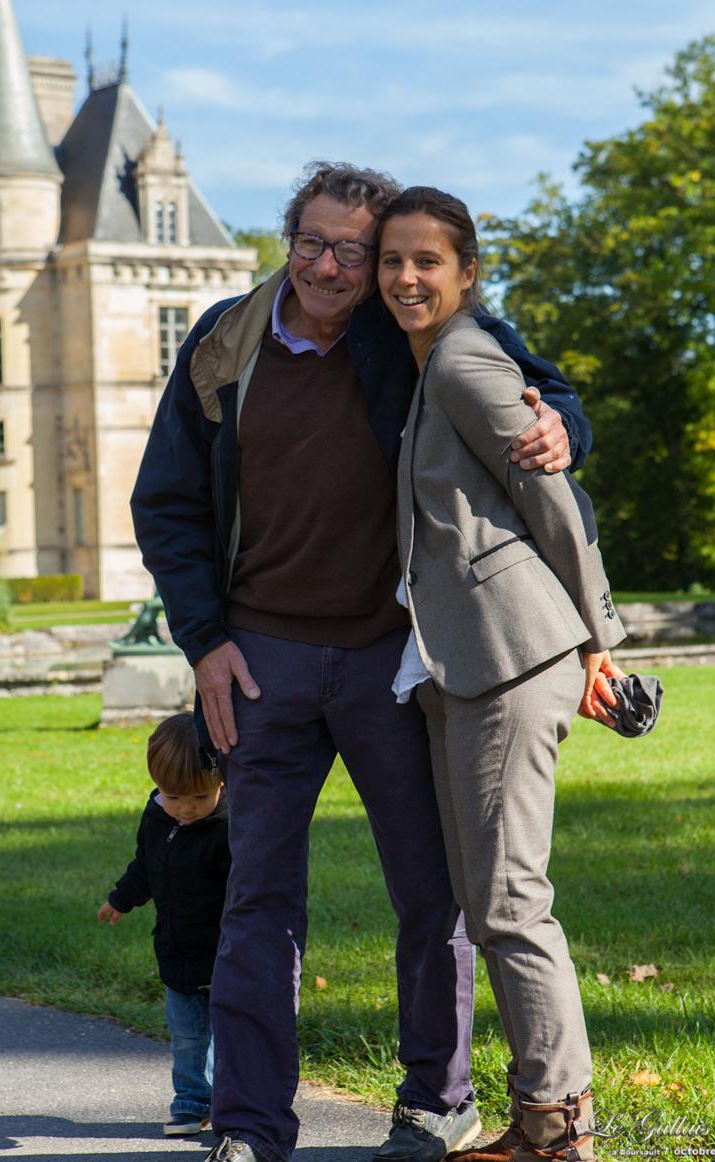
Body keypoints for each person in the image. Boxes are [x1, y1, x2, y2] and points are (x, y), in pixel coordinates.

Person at [130, 161, 593, 1162]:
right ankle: (250, 1125)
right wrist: (206, 640)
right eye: (313, 243)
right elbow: (165, 501)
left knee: (432, 893)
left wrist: (564, 426)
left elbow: (539, 395)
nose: (334, 267)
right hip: (261, 659)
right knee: (257, 894)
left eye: (356, 249)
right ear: (285, 239)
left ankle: (437, 1100)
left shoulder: (412, 330)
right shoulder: (228, 339)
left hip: (395, 659)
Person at [377, 187, 627, 1162]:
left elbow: (550, 493)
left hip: (514, 659)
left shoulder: (466, 359)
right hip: (466, 663)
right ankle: (540, 1124)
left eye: (426, 260)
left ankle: (557, 1133)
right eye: (392, 259)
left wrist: (600, 634)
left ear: (465, 271)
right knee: (491, 900)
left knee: (510, 902)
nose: (404, 277)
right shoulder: (427, 363)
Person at [97, 712, 230, 1137]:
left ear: (221, 784)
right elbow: (147, 866)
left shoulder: (227, 828)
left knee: (228, 1034)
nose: (186, 809)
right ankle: (191, 1103)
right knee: (188, 1035)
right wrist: (121, 898)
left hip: (224, 953)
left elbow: (244, 893)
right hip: (176, 949)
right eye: (174, 797)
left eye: (199, 798)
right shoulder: (157, 817)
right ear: (157, 785)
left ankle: (231, 1101)